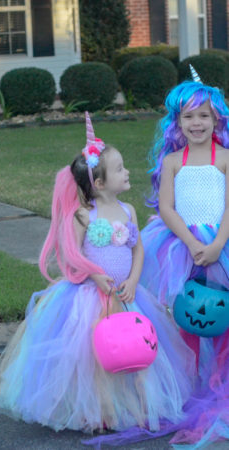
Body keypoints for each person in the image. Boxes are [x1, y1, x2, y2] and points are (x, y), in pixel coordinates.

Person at [0, 112, 195, 439]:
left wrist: (133, 280)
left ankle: (145, 406)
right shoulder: (84, 216)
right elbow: (71, 255)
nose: (126, 171)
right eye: (119, 169)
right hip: (90, 299)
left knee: (141, 352)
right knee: (99, 358)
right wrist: (96, 276)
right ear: (99, 184)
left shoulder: (128, 210)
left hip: (127, 296)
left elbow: (137, 249)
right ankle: (103, 410)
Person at [139, 67, 229, 447]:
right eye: (188, 116)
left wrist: (214, 246)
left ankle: (220, 390)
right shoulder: (173, 161)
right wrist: (192, 245)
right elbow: (167, 208)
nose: (196, 123)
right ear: (177, 121)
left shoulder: (225, 158)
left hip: (222, 245)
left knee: (221, 318)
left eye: (203, 116)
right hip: (180, 247)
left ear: (216, 119)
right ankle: (189, 389)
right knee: (185, 319)